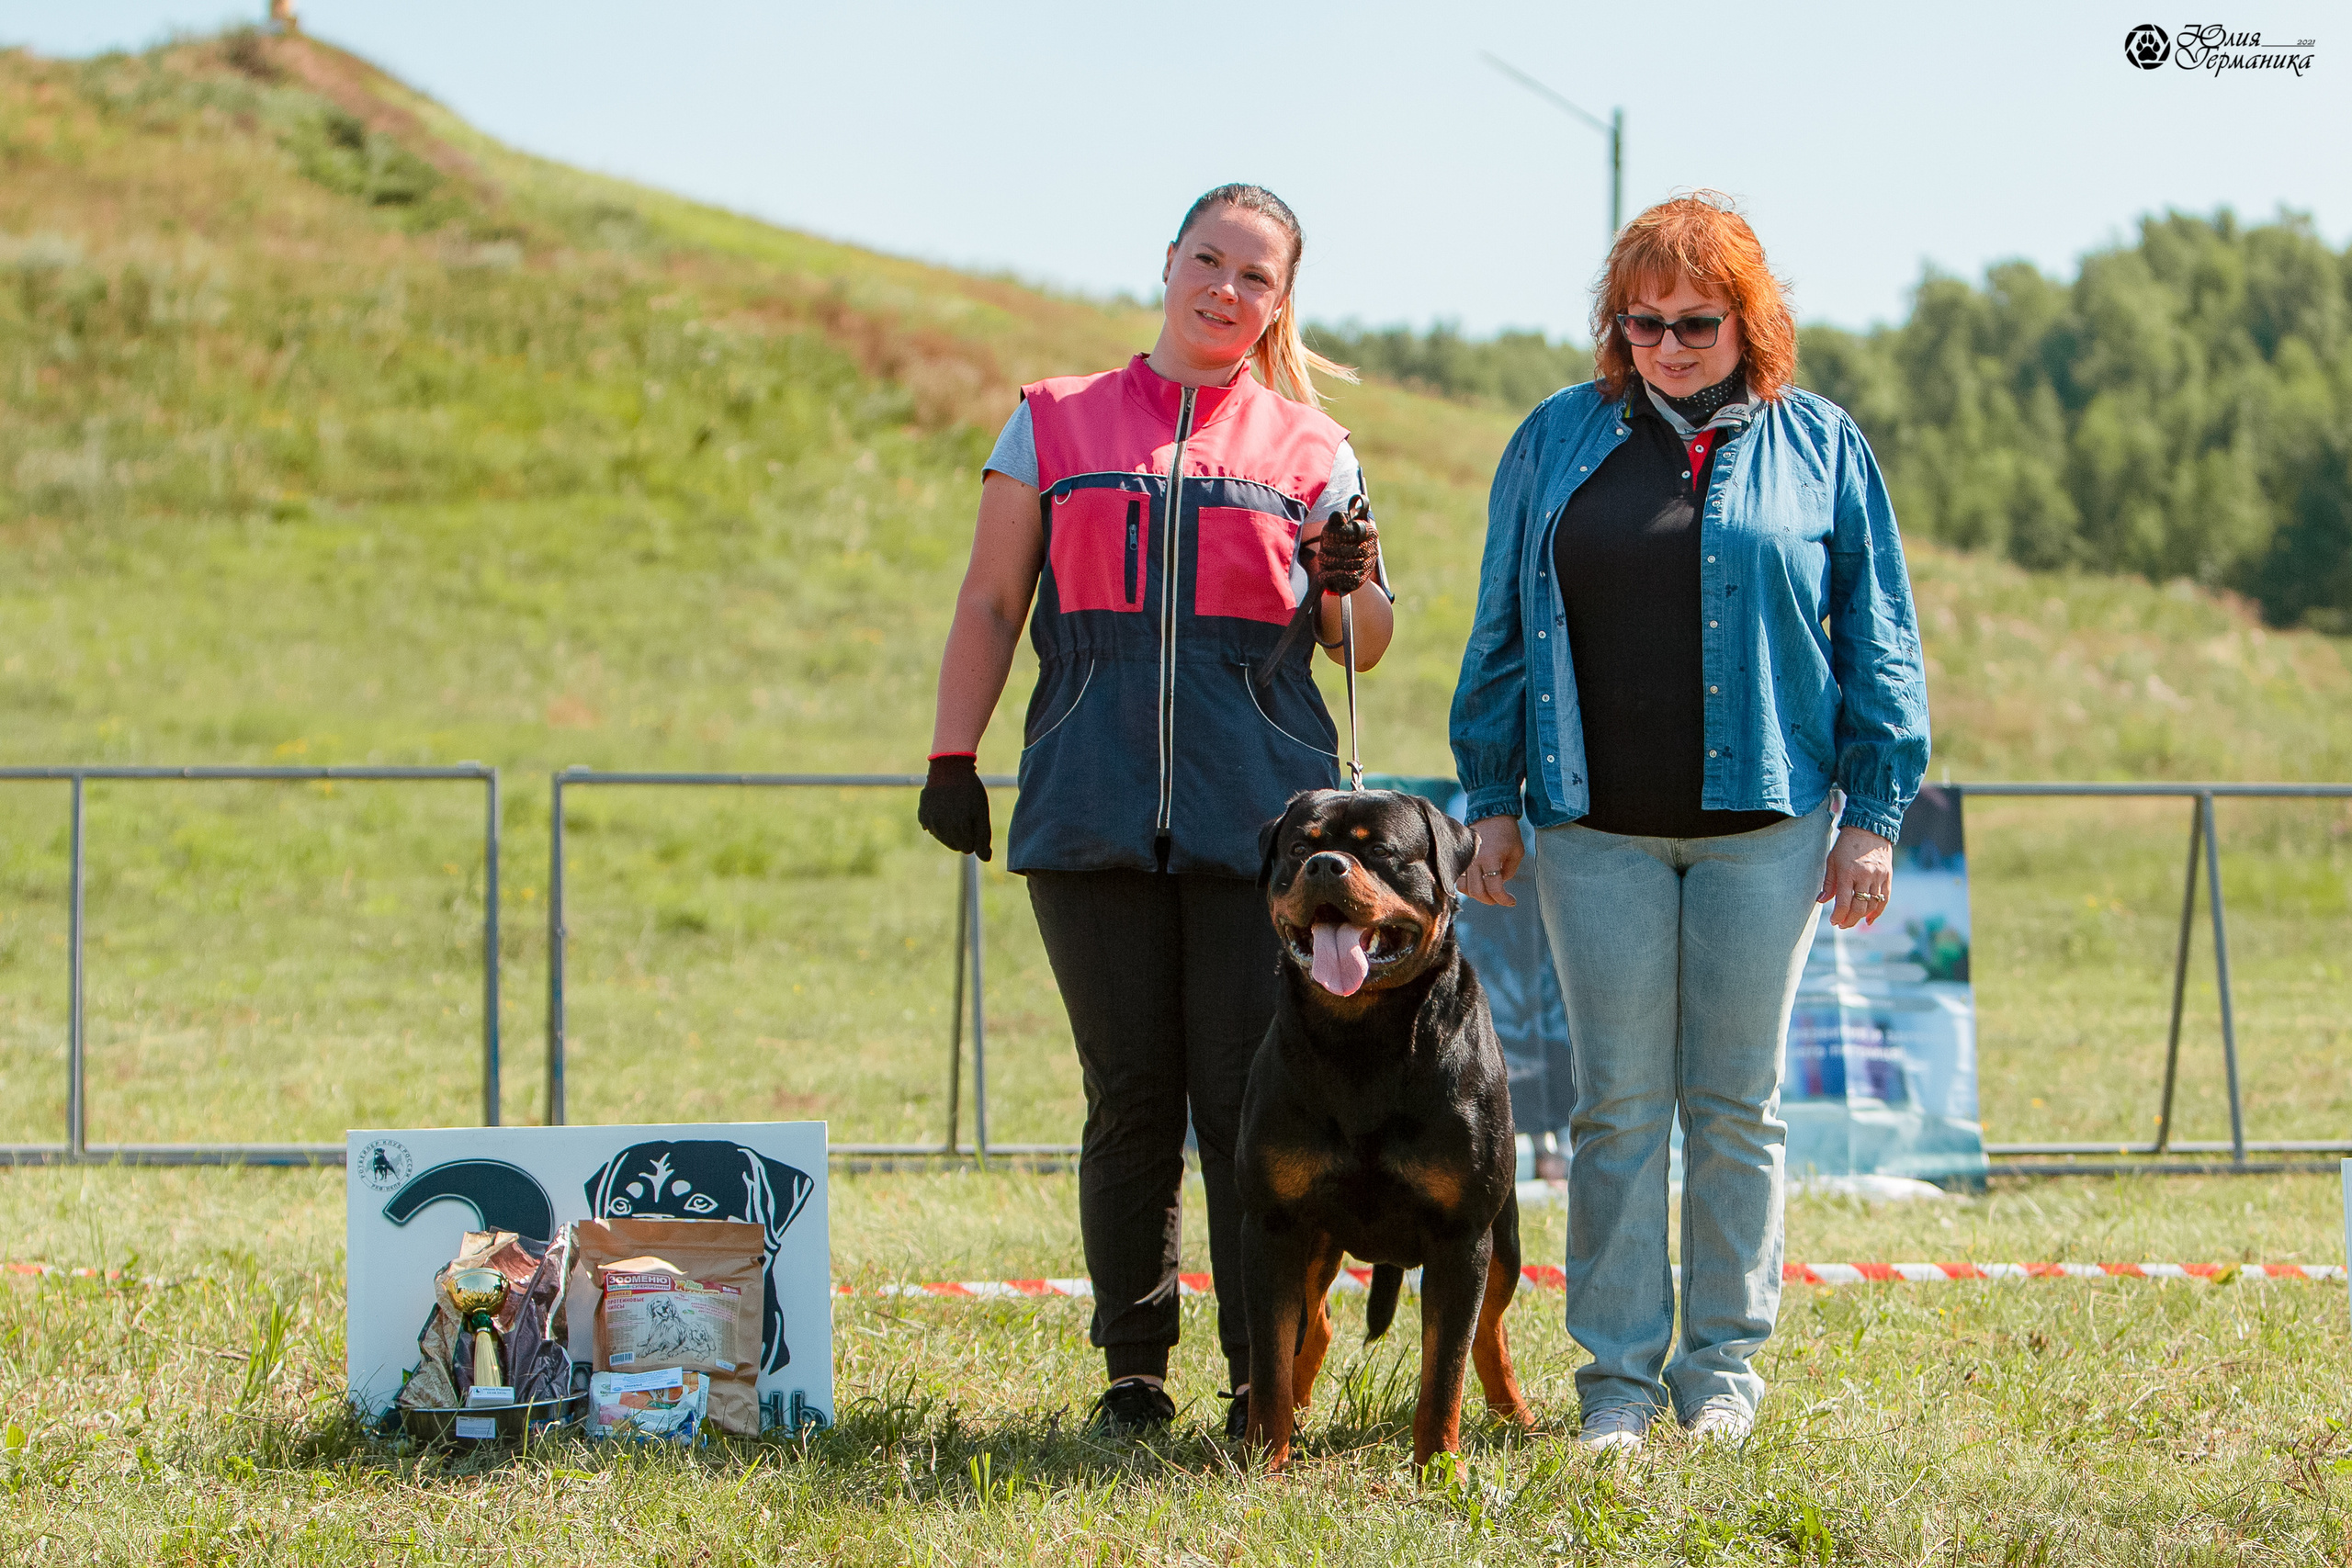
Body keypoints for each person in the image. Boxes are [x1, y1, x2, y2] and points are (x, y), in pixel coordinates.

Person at [1449, 191, 1929, 1451]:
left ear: (1748, 321)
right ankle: (1614, 1380)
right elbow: (1499, 625)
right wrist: (1489, 798)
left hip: (1768, 829)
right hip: (1590, 829)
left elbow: (1879, 637)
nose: (1668, 344)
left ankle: (1721, 1373)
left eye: (1696, 322)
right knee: (1615, 1109)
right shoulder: (1554, 438)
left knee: (1735, 1107)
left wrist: (1874, 813)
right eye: (1643, 321)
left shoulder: (1823, 446)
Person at [918, 184, 1394, 1439]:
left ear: (1280, 303)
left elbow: (1362, 641)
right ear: (1168, 263)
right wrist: (953, 756)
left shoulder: (1314, 448)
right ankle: (1133, 1373)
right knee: (1128, 1098)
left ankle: (1259, 1374)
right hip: (1089, 806)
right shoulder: (1052, 420)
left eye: (1255, 276)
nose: (1225, 289)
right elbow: (989, 602)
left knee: (1245, 1105)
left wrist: (1349, 582)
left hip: (1264, 832)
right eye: (1208, 260)